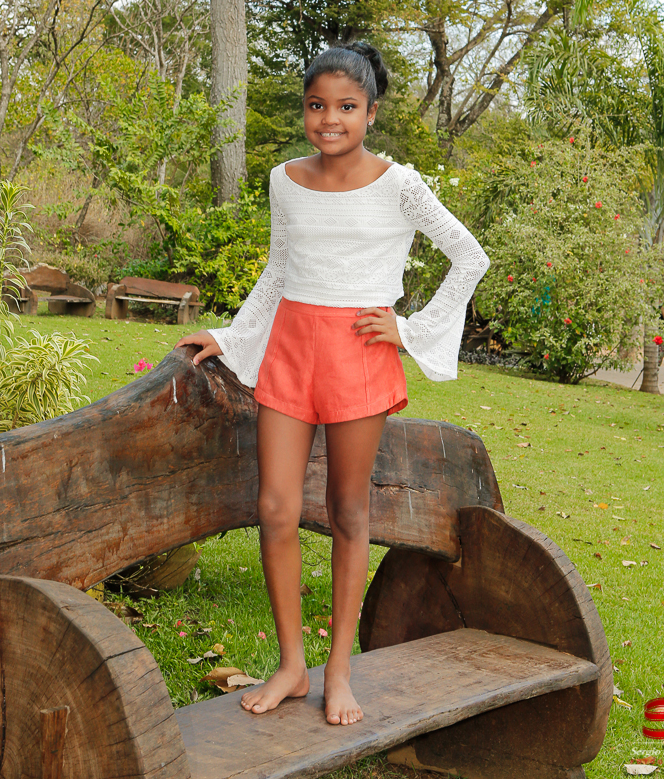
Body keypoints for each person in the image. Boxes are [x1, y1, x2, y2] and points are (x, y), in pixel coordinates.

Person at [177, 43, 489, 727]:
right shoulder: (283, 179)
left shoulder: (401, 184)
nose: (329, 120)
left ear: (371, 113)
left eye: (346, 107)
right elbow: (279, 271)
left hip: (358, 355)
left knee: (350, 511)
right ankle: (292, 665)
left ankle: (338, 671)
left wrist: (409, 329)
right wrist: (230, 337)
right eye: (317, 106)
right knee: (277, 506)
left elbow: (470, 256)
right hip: (290, 348)